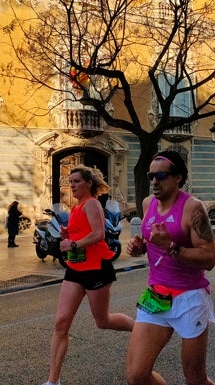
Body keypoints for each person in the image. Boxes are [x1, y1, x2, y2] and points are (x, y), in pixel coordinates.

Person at [126, 151, 215, 385]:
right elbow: (152, 241)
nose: (155, 181)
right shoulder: (148, 204)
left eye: (162, 175)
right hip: (156, 295)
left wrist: (171, 247)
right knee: (136, 375)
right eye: (151, 176)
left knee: (195, 379)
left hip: (189, 298)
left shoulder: (193, 209)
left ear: (178, 177)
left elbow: (208, 258)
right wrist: (140, 247)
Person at [42, 165, 134, 385]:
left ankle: (140, 330)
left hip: (96, 268)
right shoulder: (76, 207)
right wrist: (68, 233)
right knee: (61, 323)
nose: (72, 185)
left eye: (76, 181)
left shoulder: (92, 204)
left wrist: (72, 243)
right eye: (70, 181)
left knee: (103, 321)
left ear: (89, 183)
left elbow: (98, 234)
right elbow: (82, 232)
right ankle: (52, 381)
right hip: (75, 270)